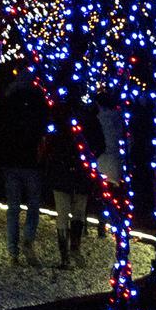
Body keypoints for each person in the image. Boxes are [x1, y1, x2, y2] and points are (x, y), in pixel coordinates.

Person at [0, 73, 49, 267]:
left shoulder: (6, 103)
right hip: (31, 162)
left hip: (11, 162)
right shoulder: (38, 102)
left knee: (13, 208)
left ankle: (13, 252)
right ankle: (28, 239)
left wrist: (1, 154)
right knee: (33, 205)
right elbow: (45, 128)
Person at [45, 98, 105, 268]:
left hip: (61, 172)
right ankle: (74, 248)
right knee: (78, 212)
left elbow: (50, 143)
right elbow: (100, 145)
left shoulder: (58, 120)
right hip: (81, 172)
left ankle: (65, 256)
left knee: (63, 214)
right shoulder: (90, 121)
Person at [94, 91, 124, 237]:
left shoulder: (98, 119)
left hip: (102, 161)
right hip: (116, 162)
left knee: (103, 195)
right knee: (113, 196)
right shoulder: (119, 120)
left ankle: (102, 224)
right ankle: (114, 224)